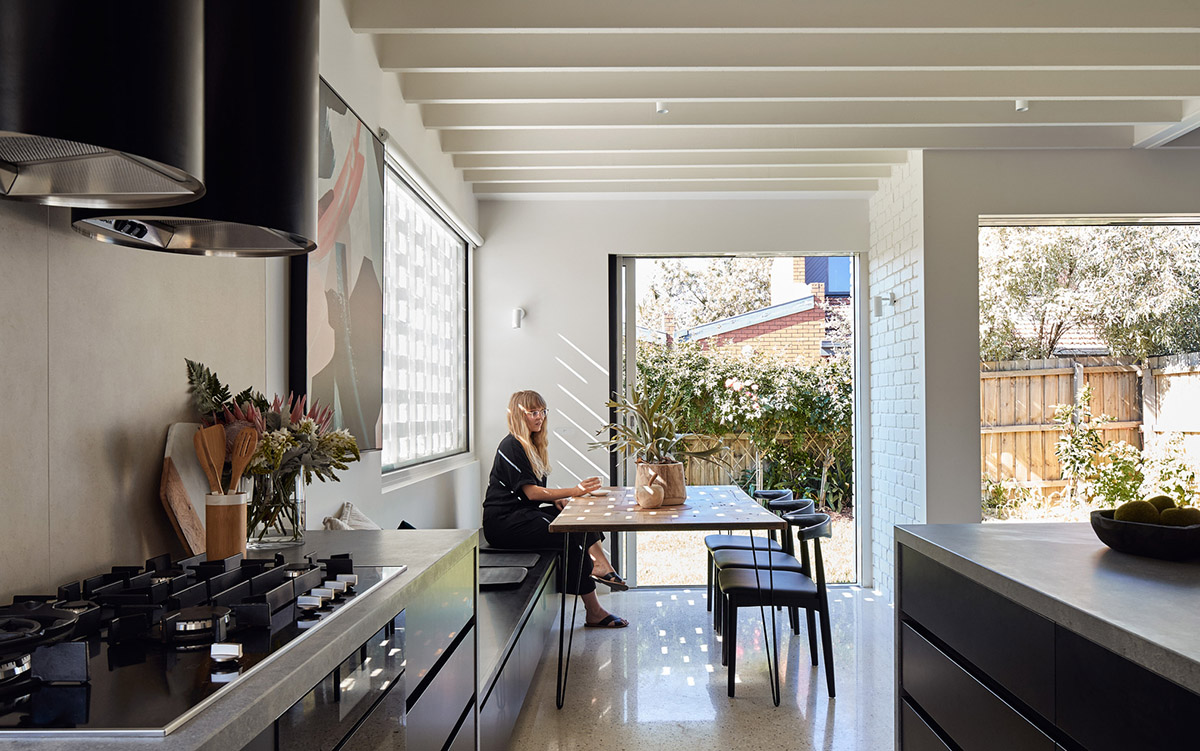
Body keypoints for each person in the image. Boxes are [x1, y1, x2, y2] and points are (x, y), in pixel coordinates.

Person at [483, 390, 629, 628]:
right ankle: (594, 610)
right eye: (532, 412)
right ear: (519, 415)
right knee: (568, 534)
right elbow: (530, 493)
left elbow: (528, 493)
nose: (539, 417)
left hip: (523, 515)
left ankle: (601, 564)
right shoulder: (511, 445)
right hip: (504, 523)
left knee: (576, 517)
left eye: (542, 411)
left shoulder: (531, 445)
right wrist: (574, 491)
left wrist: (555, 501)